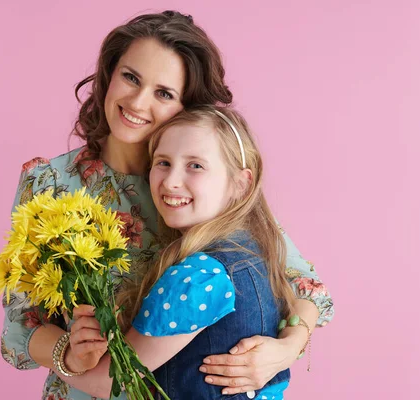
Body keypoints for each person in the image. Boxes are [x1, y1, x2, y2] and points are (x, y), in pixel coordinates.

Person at [1, 10, 334, 400]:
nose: (138, 102)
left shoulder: (205, 187)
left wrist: (285, 349)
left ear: (186, 105)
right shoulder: (48, 184)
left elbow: (306, 289)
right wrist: (69, 356)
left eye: (164, 93)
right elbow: (19, 324)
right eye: (130, 77)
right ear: (108, 76)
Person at [59, 106, 309, 400]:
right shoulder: (259, 251)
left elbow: (110, 383)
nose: (171, 181)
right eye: (163, 162)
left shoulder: (198, 278)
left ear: (241, 184)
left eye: (196, 166)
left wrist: (67, 361)